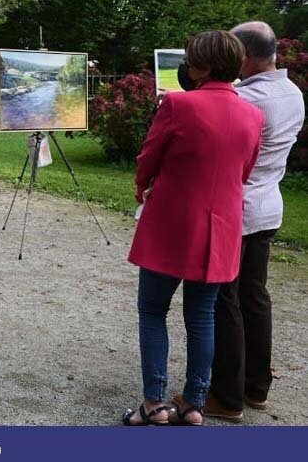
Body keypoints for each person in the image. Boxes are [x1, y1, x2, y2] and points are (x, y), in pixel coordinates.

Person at [122, 30, 264, 426]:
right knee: (202, 316)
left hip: (171, 221)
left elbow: (150, 155)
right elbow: (245, 171)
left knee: (152, 312)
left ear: (198, 66)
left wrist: (141, 185)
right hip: (221, 227)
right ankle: (195, 403)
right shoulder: (254, 114)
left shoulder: (179, 105)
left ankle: (154, 403)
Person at [205, 22, 306, 422]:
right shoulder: (293, 94)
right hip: (269, 205)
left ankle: (226, 396)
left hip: (237, 207)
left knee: (224, 300)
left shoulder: (246, 100)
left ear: (243, 57)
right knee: (255, 296)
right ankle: (256, 386)